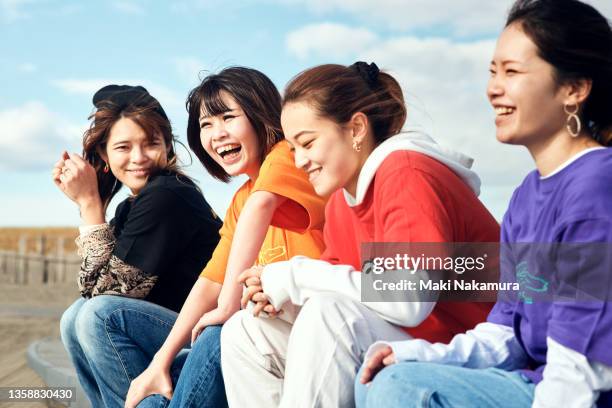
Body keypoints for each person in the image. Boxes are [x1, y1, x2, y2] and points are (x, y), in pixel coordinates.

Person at [355, 1, 612, 407]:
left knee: (400, 387)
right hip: (533, 380)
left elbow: (581, 370)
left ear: (574, 89)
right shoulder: (526, 195)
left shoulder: (596, 186)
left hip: (577, 394)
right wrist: (416, 354)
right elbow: (506, 332)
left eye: (512, 72)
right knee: (381, 374)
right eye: (493, 72)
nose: (493, 88)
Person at [221, 61, 499, 407]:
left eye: (307, 143)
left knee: (330, 315)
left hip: (472, 350)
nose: (300, 161)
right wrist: (281, 294)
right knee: (244, 332)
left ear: (356, 129)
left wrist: (294, 275)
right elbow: (340, 283)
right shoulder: (341, 201)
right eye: (293, 150)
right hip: (406, 340)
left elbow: (407, 298)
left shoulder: (407, 172)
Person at [124, 67, 327, 408]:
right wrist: (159, 361)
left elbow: (263, 205)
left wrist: (227, 307)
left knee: (221, 331)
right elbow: (210, 281)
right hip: (268, 333)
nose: (217, 134)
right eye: (206, 125)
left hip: (314, 331)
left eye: (228, 117)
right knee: (100, 317)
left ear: (262, 116)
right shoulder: (242, 199)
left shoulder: (289, 155)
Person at [54, 85, 222, 408]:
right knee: (73, 317)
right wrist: (95, 208)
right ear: (104, 154)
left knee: (97, 317)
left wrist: (90, 204)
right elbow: (91, 289)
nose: (138, 158)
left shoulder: (168, 195)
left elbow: (105, 297)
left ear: (167, 145)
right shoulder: (133, 205)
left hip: (204, 338)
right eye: (123, 147)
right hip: (173, 331)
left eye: (151, 143)